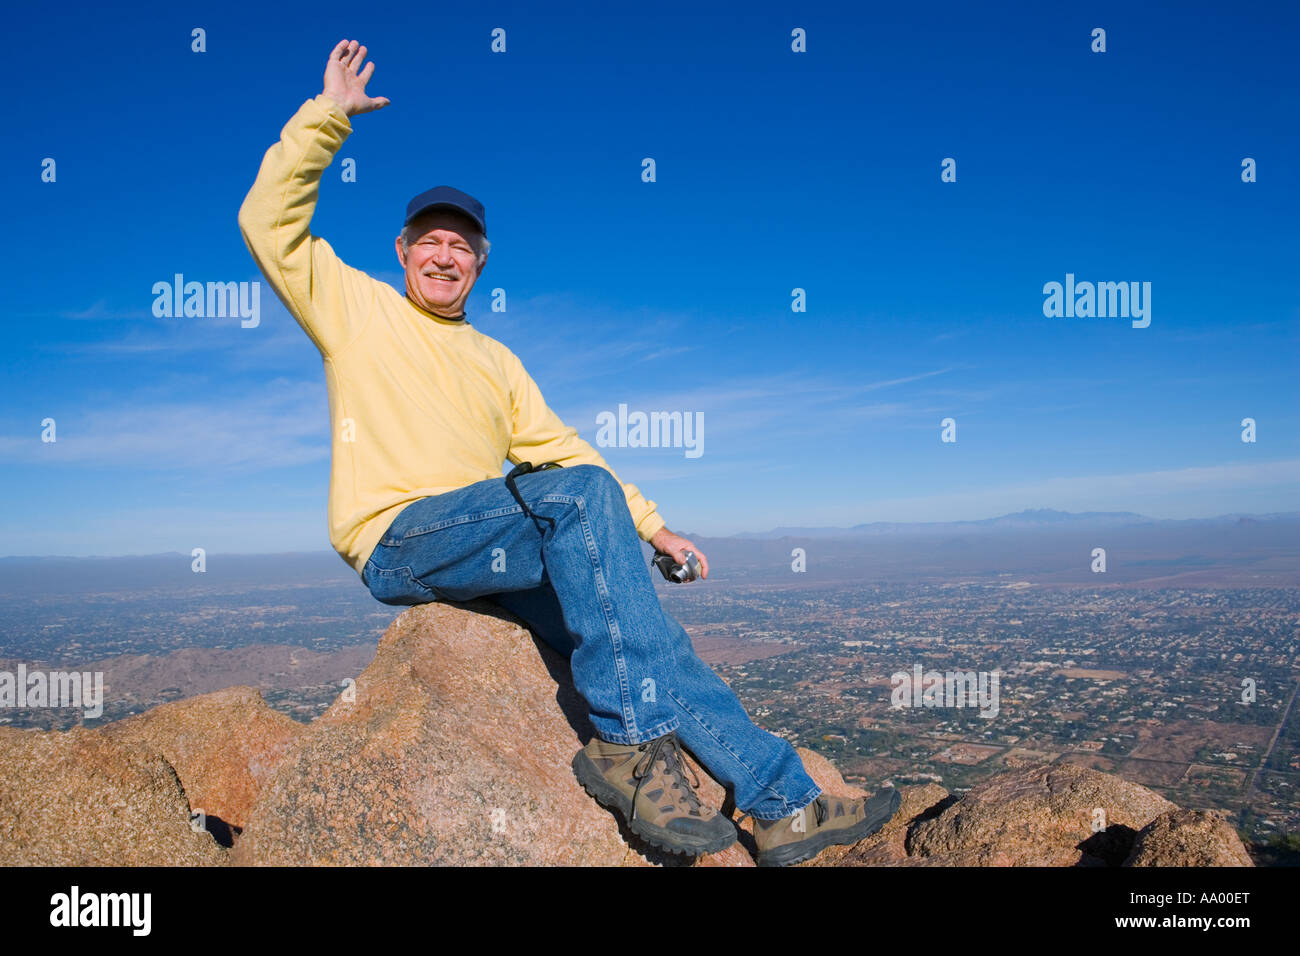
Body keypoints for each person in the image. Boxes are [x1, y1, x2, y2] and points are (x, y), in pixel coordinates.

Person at [238, 38, 899, 866]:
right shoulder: (353, 308)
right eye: (430, 242)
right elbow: (267, 221)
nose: (445, 256)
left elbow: (562, 448)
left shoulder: (494, 360)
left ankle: (783, 804)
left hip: (491, 543)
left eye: (462, 247)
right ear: (403, 253)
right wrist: (328, 116)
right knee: (580, 499)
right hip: (401, 537)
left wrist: (652, 529)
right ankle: (628, 754)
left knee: (649, 640)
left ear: (479, 265)